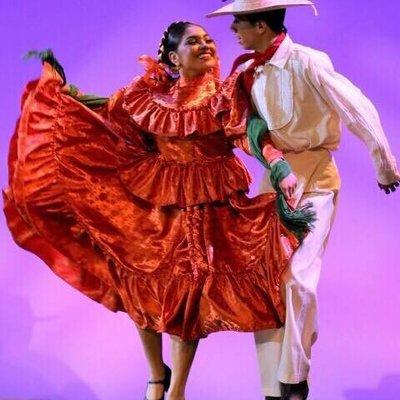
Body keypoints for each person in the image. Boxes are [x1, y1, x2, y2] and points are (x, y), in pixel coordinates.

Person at [3, 21, 314, 400]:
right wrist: (73, 98)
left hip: (207, 209)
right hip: (158, 205)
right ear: (172, 57)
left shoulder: (224, 94)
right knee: (138, 283)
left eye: (208, 40)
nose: (206, 46)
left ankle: (178, 390)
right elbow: (113, 113)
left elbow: (246, 132)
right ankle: (156, 375)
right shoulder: (150, 97)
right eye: (193, 42)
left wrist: (276, 163)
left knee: (188, 293)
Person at [207, 1, 400, 399]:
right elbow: (244, 126)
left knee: (297, 278)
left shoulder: (308, 62)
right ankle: (273, 380)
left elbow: (357, 106)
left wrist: (385, 166)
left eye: (239, 24)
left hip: (315, 179)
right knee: (263, 281)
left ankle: (293, 380)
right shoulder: (247, 70)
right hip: (274, 182)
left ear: (260, 25)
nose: (235, 33)